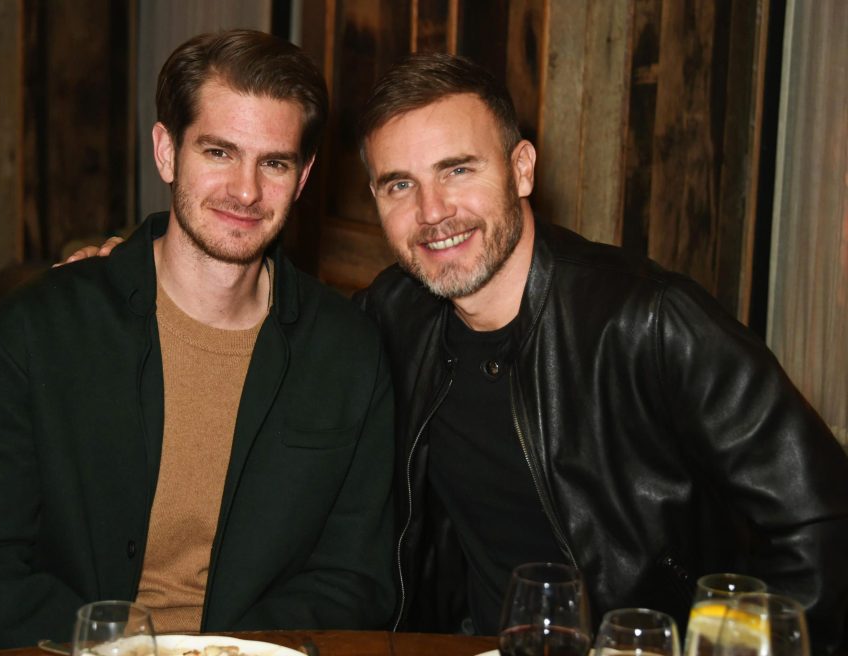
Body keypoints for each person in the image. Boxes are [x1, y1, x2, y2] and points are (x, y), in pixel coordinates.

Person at [353, 53, 848, 653]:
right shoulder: (393, 314)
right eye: (399, 184)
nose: (432, 212)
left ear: (522, 169)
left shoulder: (652, 320)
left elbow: (822, 522)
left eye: (457, 170)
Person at [0, 30, 395, 649]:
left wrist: (216, 649)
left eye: (273, 162)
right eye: (219, 152)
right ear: (167, 151)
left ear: (303, 176)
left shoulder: (349, 354)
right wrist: (128, 645)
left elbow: (357, 584)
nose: (246, 191)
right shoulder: (38, 330)